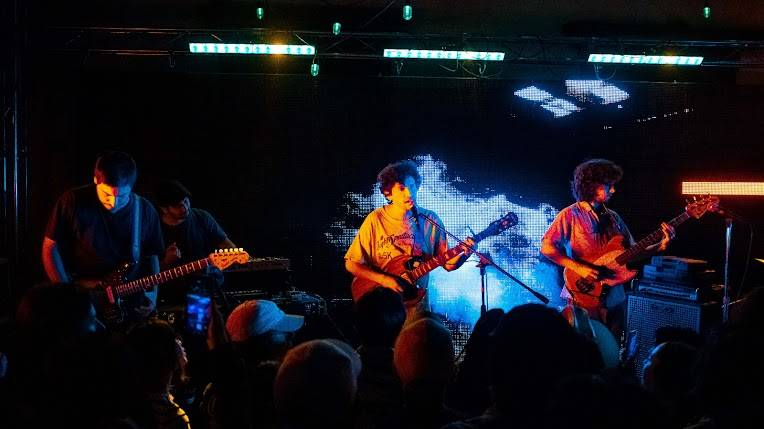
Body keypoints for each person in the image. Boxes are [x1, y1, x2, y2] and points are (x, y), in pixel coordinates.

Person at [540, 158, 674, 334]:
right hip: (584, 296)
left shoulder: (613, 217)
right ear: (591, 185)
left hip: (614, 298)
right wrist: (578, 267)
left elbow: (632, 252)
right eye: (608, 185)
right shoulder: (569, 215)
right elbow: (546, 247)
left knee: (614, 345)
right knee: (586, 345)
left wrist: (659, 246)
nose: (613, 190)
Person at [42, 151, 164, 325]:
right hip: (84, 296)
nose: (113, 203)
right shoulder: (72, 201)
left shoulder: (145, 211)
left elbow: (152, 256)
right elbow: (50, 247)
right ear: (95, 180)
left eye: (121, 196)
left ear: (131, 188)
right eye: (106, 194)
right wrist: (65, 292)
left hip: (126, 302)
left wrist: (152, 295)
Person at [344, 160, 473, 313]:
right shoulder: (375, 219)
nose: (409, 193)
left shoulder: (430, 220)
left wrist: (466, 253)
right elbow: (351, 264)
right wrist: (385, 280)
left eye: (412, 186)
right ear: (388, 193)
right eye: (401, 188)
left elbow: (448, 264)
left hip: (417, 307)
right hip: (384, 308)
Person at [153, 179, 236, 306]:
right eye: (178, 206)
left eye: (186, 201)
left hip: (202, 290)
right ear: (164, 209)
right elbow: (148, 274)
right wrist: (166, 262)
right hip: (169, 295)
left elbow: (229, 246)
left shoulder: (201, 217)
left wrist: (223, 261)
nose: (185, 208)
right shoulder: (154, 227)